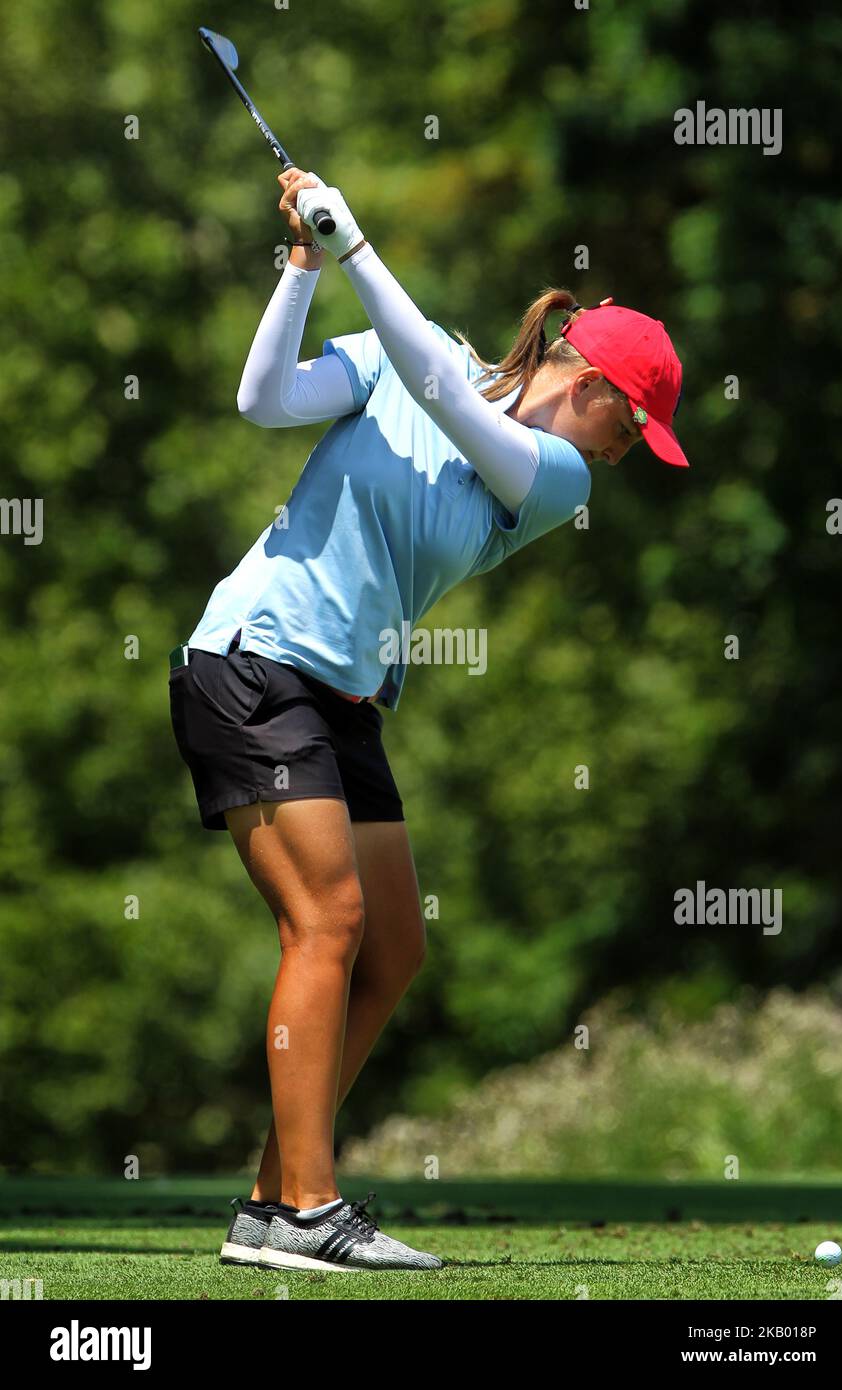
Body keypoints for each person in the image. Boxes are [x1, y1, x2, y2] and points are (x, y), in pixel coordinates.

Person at [168, 168, 688, 1274]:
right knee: (328, 922)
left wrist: (356, 249)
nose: (629, 450)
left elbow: (449, 398)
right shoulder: (412, 356)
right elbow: (264, 399)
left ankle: (272, 1199)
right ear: (588, 381)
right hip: (253, 662)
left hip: (343, 697)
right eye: (634, 424)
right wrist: (306, 268)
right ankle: (308, 1208)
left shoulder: (553, 478)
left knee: (391, 948)